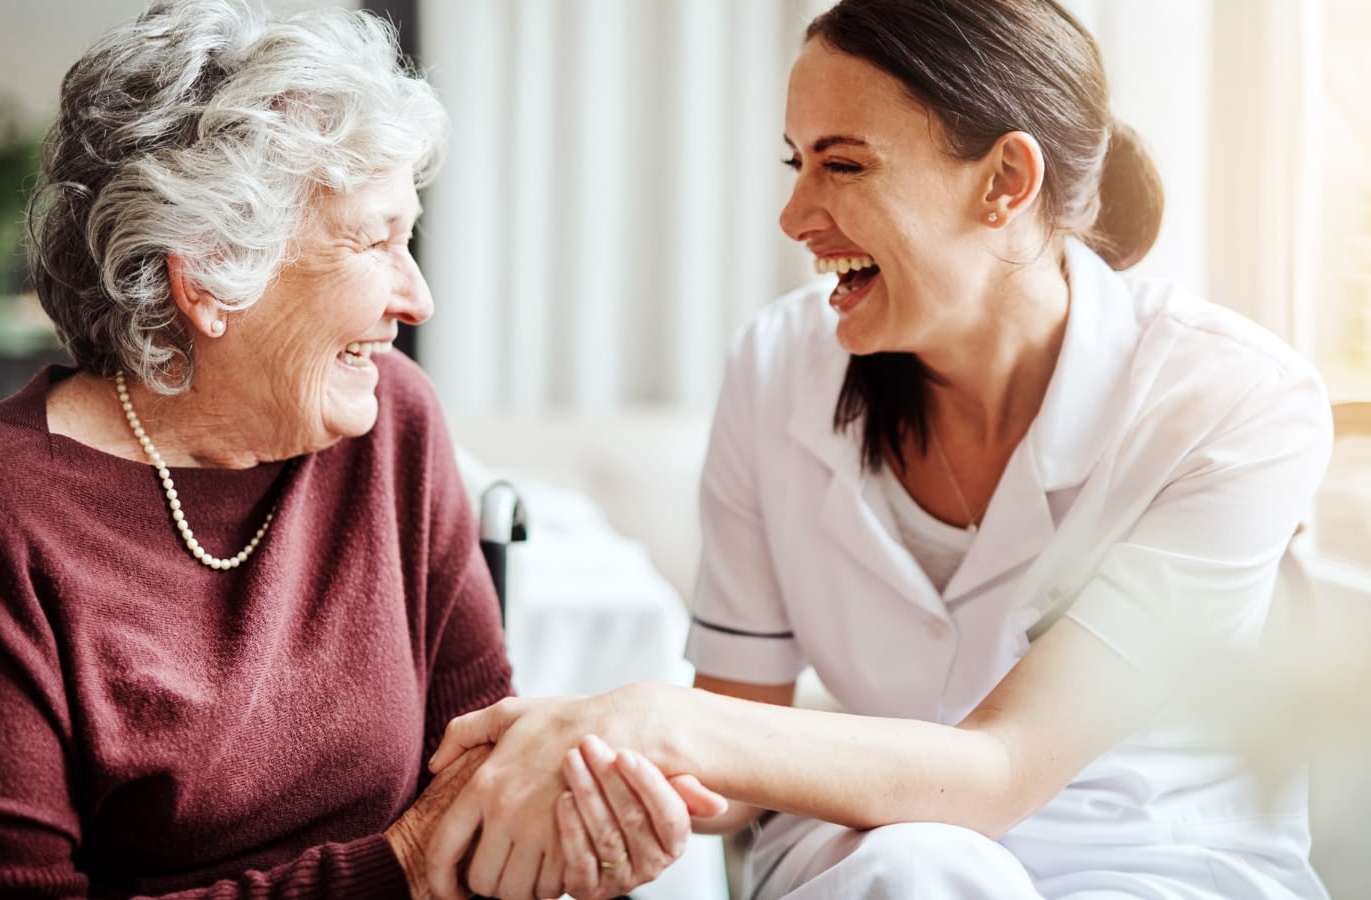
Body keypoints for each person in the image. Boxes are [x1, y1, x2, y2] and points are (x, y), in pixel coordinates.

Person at [423, 0, 1334, 897]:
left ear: (1005, 181)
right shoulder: (778, 366)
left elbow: (1001, 768)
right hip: (874, 863)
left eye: (844, 164)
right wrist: (603, 790)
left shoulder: (1233, 403)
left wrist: (658, 718)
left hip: (1151, 867)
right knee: (916, 864)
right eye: (796, 163)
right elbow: (738, 752)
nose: (795, 214)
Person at [0, 3, 723, 898]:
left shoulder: (392, 426)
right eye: (374, 240)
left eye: (407, 235)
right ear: (212, 275)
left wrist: (563, 830)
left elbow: (478, 771)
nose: (416, 298)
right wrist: (404, 867)